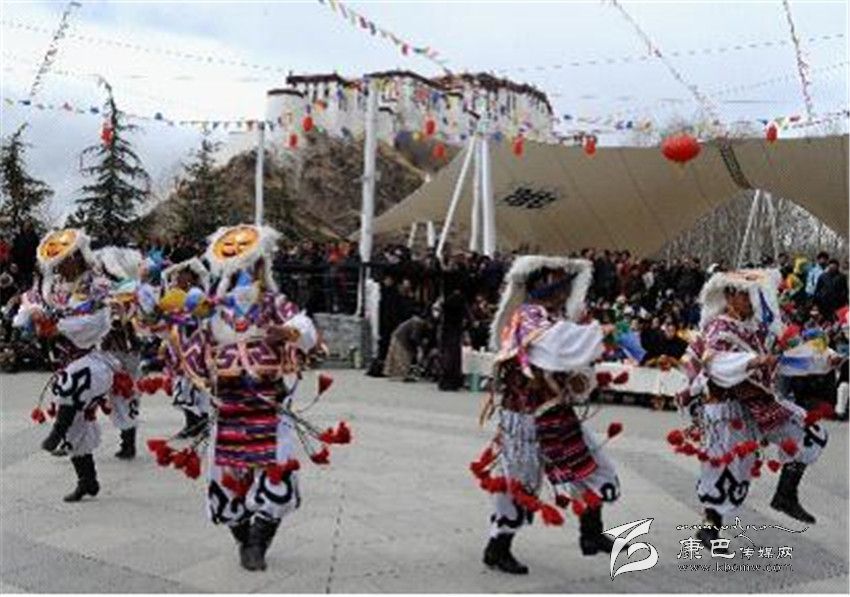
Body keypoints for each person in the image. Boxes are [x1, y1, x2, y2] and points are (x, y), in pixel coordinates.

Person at [145, 224, 348, 573]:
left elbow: (304, 328)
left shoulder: (274, 303)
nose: (243, 273)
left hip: (268, 403)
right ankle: (243, 538)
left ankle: (258, 542)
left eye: (250, 265)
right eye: (236, 267)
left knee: (275, 473)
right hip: (228, 405)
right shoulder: (214, 307)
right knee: (227, 479)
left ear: (260, 266)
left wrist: (285, 332)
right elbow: (181, 331)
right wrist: (158, 314)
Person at [472, 257, 620, 575]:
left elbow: (567, 356)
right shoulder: (528, 316)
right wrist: (596, 333)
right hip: (525, 415)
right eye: (561, 286)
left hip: (555, 411)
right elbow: (557, 345)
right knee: (520, 482)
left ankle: (591, 533)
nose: (566, 293)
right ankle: (497, 548)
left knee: (592, 465)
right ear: (546, 288)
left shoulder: (553, 317)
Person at [673, 269, 831, 551]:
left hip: (761, 403)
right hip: (727, 408)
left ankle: (785, 494)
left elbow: (785, 357)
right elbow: (714, 363)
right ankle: (709, 528)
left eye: (754, 296)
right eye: (746, 296)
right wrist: (752, 362)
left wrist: (824, 359)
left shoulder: (758, 328)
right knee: (727, 467)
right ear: (730, 296)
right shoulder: (719, 327)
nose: (752, 302)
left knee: (809, 432)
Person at [15, 229, 137, 501]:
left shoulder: (96, 284)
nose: (61, 267)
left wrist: (59, 327)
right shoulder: (52, 285)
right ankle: (87, 480)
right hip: (64, 359)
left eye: (66, 260)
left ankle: (57, 431)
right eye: (57, 262)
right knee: (76, 425)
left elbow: (98, 322)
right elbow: (29, 303)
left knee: (74, 382)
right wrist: (33, 315)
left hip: (96, 357)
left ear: (78, 256)